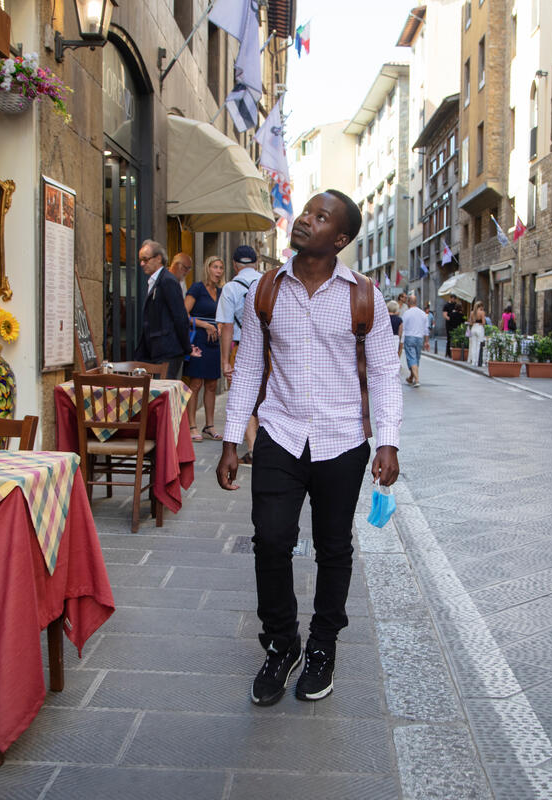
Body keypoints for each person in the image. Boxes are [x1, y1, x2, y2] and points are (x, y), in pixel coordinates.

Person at [216, 189, 401, 707]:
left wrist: (387, 441)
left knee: (333, 546)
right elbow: (248, 368)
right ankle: (281, 643)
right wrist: (231, 440)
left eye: (320, 218)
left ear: (339, 239)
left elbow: (385, 372)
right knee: (271, 541)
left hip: (343, 440)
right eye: (306, 212)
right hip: (280, 434)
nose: (304, 220)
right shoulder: (265, 290)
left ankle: (322, 647)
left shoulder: (364, 296)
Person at [217, 245, 263, 464]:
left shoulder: (230, 288)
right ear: (256, 263)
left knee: (244, 394)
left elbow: (226, 326)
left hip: (241, 347)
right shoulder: (267, 282)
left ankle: (253, 449)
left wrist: (225, 361)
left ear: (235, 265)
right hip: (268, 348)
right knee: (264, 395)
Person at [135, 240, 197, 378]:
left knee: (164, 388)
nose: (142, 264)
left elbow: (180, 317)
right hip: (155, 350)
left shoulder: (167, 280)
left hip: (167, 351)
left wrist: (186, 347)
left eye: (145, 259)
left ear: (158, 258)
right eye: (140, 260)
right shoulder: (156, 280)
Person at [184, 255, 225, 441]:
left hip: (214, 341)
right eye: (215, 267)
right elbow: (183, 314)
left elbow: (223, 315)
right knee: (196, 383)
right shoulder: (197, 288)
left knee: (212, 384)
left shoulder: (221, 292)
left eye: (221, 268)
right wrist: (205, 325)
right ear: (207, 269)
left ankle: (209, 425)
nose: (219, 271)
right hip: (198, 340)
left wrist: (219, 326)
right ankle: (192, 426)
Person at [401, 294, 428, 387]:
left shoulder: (406, 313)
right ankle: (411, 377)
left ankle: (416, 380)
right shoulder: (423, 313)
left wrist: (401, 340)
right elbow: (426, 329)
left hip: (409, 337)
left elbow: (403, 327)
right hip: (419, 338)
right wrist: (426, 341)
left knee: (412, 358)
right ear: (416, 302)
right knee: (416, 358)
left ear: (408, 302)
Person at [467, 300, 487, 366]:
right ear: (481, 306)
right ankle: (478, 361)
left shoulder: (472, 313)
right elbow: (483, 322)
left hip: (473, 328)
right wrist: (481, 323)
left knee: (473, 345)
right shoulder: (482, 312)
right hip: (479, 328)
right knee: (479, 345)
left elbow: (470, 322)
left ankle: (473, 361)